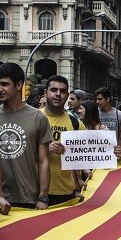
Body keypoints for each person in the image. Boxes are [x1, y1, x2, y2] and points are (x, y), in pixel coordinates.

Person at [0, 62, 51, 212]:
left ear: (18, 85)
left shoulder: (38, 117)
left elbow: (44, 160)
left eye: (4, 84)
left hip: (29, 199)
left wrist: (43, 197)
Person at [40, 75, 85, 204]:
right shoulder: (34, 118)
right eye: (53, 90)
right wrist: (45, 150)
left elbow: (81, 156)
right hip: (35, 192)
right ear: (46, 93)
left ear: (67, 96)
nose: (58, 94)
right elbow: (21, 155)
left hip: (65, 193)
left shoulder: (76, 124)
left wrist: (111, 151)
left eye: (63, 91)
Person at [94, 87, 121, 154]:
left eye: (100, 99)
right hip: (97, 152)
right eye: (96, 99)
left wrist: (120, 151)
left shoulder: (119, 115)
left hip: (113, 153)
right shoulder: (94, 114)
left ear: (107, 99)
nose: (97, 102)